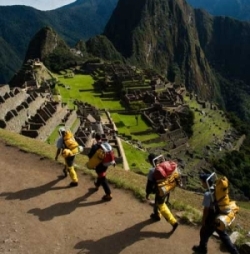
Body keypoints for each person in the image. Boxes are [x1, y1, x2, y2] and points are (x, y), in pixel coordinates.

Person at [192, 173, 239, 254]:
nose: (201, 183)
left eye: (202, 182)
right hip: (220, 214)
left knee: (203, 231)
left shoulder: (208, 194)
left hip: (212, 216)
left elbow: (206, 210)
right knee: (223, 236)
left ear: (205, 182)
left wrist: (203, 221)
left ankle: (202, 249)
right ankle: (235, 252)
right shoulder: (216, 189)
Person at [146, 153, 179, 232]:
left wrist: (147, 193)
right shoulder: (165, 164)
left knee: (161, 205)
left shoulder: (152, 171)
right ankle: (157, 214)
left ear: (151, 162)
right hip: (168, 187)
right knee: (158, 202)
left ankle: (173, 222)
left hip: (161, 190)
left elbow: (149, 184)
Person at [88, 133, 112, 201]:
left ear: (95, 138)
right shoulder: (105, 144)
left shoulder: (95, 146)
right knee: (101, 175)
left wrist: (91, 164)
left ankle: (108, 194)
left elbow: (90, 156)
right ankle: (97, 185)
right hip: (106, 164)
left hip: (99, 165)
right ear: (101, 138)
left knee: (103, 178)